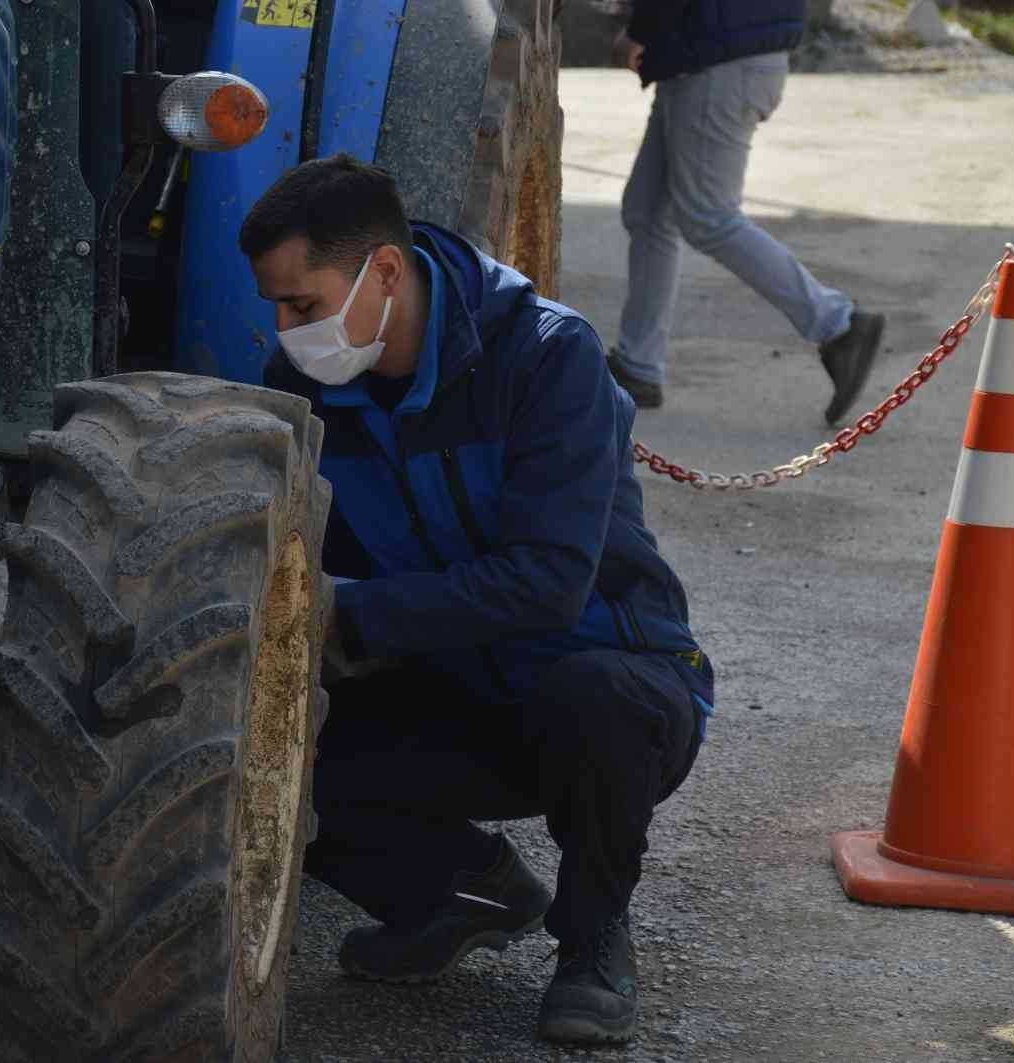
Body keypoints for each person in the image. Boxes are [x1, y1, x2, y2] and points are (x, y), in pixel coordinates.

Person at [242, 153, 715, 1046]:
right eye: (276, 306)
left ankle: (593, 942)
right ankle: (461, 893)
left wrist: (352, 612)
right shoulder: (307, 385)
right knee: (272, 732)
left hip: (609, 674)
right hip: (455, 684)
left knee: (596, 701)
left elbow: (547, 583)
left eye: (303, 305)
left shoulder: (546, 356)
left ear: (384, 270)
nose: (286, 328)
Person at [607, 0, 885, 423]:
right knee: (648, 210)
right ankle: (637, 367)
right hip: (714, 49)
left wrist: (642, 29)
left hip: (717, 56)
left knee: (709, 217)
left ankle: (839, 325)